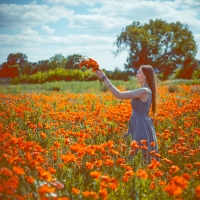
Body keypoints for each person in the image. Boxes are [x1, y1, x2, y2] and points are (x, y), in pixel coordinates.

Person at [95, 65, 159, 164]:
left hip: (141, 128)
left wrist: (104, 78)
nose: (136, 75)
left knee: (138, 158)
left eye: (139, 73)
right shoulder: (143, 90)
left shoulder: (144, 91)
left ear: (145, 76)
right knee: (137, 157)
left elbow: (119, 95)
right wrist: (130, 131)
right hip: (138, 126)